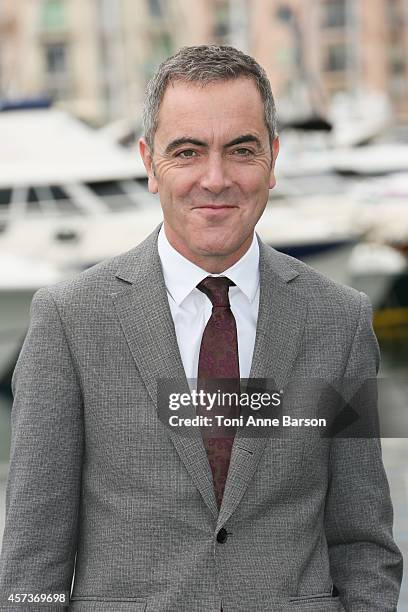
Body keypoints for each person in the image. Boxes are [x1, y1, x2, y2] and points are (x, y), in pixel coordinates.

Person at [0, 45, 402, 612]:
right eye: (187, 152)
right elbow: (31, 558)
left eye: (241, 150)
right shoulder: (69, 320)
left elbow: (362, 540)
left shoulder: (339, 319)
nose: (215, 179)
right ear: (149, 163)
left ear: (273, 157)